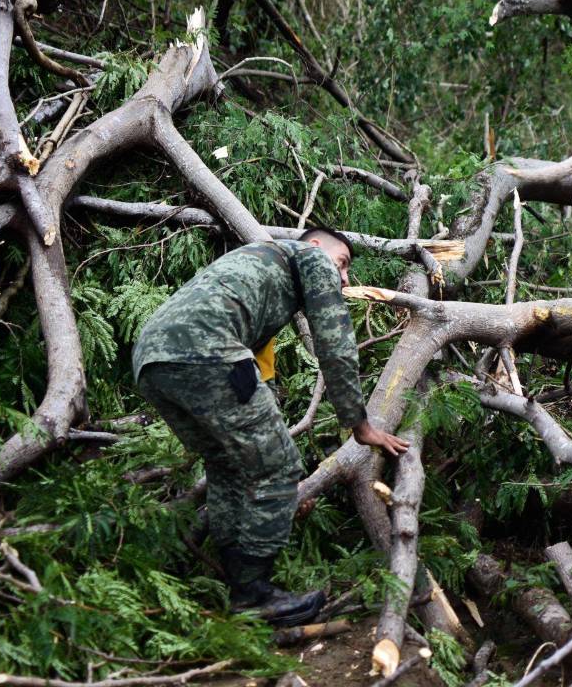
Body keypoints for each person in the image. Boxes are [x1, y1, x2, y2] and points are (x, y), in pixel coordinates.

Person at [132, 228, 409, 627]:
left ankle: (236, 582)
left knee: (229, 468)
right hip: (207, 351)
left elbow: (259, 374)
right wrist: (359, 424)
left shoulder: (259, 266)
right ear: (316, 246)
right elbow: (335, 345)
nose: (345, 278)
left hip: (153, 362)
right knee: (277, 470)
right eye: (344, 263)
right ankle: (253, 594)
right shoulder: (311, 258)